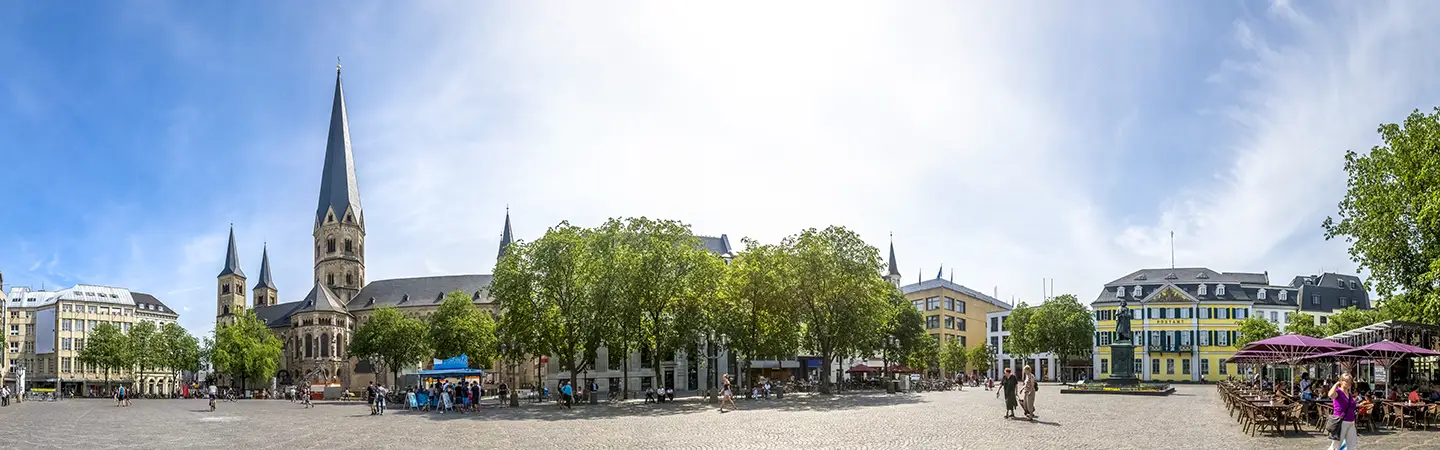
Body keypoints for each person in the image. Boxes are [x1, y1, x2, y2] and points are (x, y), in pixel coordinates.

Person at [1328, 373, 1359, 450]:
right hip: (1341, 422)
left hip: (1351, 422)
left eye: (1349, 381)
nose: (1348, 383)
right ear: (1341, 381)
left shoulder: (1349, 394)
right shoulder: (1338, 392)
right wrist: (1336, 384)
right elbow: (1330, 395)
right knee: (1336, 445)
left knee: (1352, 445)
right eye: (1346, 381)